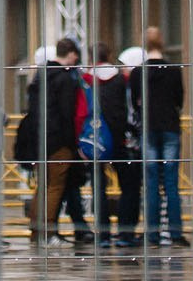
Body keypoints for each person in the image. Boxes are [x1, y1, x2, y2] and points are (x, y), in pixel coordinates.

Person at [14, 39, 83, 244]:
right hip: (59, 141)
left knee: (42, 186)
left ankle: (36, 231)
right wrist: (72, 142)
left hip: (39, 140)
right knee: (55, 187)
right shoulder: (64, 79)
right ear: (69, 54)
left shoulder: (40, 77)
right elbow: (67, 113)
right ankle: (49, 232)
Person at [135, 28, 187, 246]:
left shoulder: (139, 72)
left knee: (151, 183)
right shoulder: (173, 70)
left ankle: (153, 233)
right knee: (171, 183)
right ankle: (175, 233)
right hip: (170, 127)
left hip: (148, 127)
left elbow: (134, 102)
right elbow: (179, 100)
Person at [94, 56, 142, 247]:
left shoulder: (87, 80)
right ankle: (126, 234)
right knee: (129, 188)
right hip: (121, 140)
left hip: (97, 140)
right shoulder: (122, 81)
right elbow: (131, 111)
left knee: (99, 188)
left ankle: (103, 235)